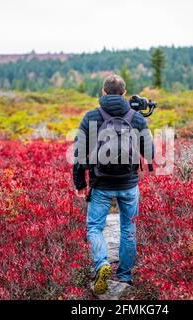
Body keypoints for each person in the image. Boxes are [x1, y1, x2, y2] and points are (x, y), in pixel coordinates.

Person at [73, 74, 154, 295]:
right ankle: (125, 277)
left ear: (104, 92)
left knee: (95, 227)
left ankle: (102, 264)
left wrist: (80, 182)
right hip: (129, 183)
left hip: (101, 183)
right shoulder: (136, 117)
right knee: (128, 228)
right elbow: (150, 152)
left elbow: (79, 153)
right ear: (124, 93)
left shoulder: (91, 116)